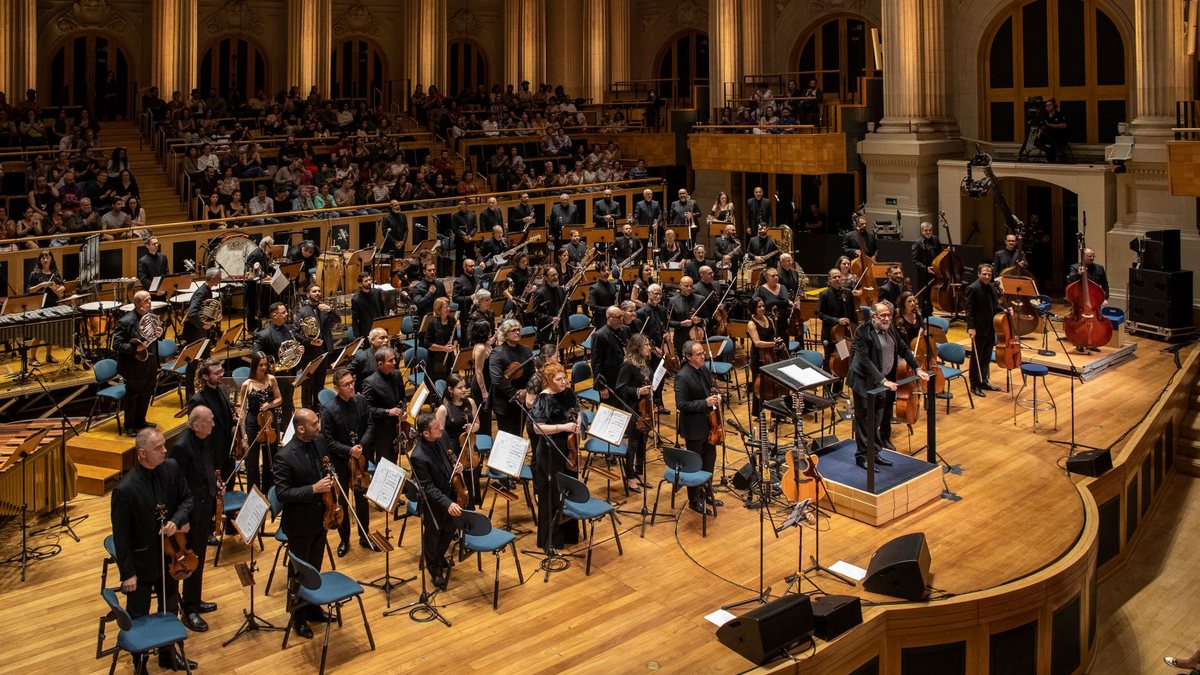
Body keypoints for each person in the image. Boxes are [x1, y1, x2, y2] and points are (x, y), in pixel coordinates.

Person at [110, 428, 196, 671]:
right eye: (158, 448)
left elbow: (187, 498)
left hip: (171, 558)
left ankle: (169, 656)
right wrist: (128, 573)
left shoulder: (171, 468)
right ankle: (141, 664)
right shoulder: (125, 490)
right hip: (142, 563)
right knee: (139, 615)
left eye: (163, 446)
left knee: (170, 607)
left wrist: (176, 521)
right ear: (142, 453)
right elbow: (122, 537)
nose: (165, 450)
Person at [273, 408, 335, 640]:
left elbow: (326, 468)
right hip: (299, 523)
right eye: (314, 424)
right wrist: (313, 489)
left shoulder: (319, 443)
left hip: (321, 518)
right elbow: (282, 493)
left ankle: (312, 608)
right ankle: (297, 617)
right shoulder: (285, 456)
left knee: (315, 566)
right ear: (300, 429)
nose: (318, 426)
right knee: (299, 573)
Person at [847, 303, 929, 469]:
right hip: (864, 381)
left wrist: (917, 368)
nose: (886, 318)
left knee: (877, 417)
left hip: (882, 381)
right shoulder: (863, 331)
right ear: (873, 317)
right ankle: (862, 456)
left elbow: (903, 349)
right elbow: (864, 360)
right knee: (865, 420)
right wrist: (882, 380)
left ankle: (875, 453)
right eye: (882, 315)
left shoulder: (890, 328)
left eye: (888, 315)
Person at [168, 406, 220, 632]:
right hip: (191, 514)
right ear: (196, 424)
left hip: (204, 505)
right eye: (209, 421)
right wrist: (182, 519)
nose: (213, 425)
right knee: (190, 558)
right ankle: (188, 609)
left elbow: (206, 468)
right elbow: (176, 485)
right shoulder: (181, 446)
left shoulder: (203, 437)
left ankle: (194, 600)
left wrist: (214, 485)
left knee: (198, 555)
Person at [321, 367, 375, 556]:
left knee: (362, 499)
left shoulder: (361, 401)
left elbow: (370, 424)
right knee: (342, 502)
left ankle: (364, 535)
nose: (352, 387)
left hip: (359, 459)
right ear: (337, 388)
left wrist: (361, 446)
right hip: (340, 462)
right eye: (346, 385)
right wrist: (348, 450)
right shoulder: (328, 410)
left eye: (352, 382)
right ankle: (344, 540)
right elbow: (327, 440)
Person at [528, 363, 581, 550]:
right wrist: (564, 427)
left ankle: (570, 534)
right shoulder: (543, 399)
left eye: (565, 378)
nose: (564, 382)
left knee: (570, 489)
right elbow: (537, 428)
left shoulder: (568, 393)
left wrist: (578, 423)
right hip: (551, 450)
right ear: (549, 380)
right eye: (559, 379)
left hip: (569, 447)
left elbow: (577, 411)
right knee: (553, 493)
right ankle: (551, 538)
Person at [409, 412, 464, 590]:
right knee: (433, 535)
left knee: (450, 529)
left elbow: (449, 457)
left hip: (450, 494)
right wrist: (448, 503)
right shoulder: (418, 456)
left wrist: (457, 465)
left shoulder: (440, 438)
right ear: (426, 434)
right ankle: (434, 569)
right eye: (436, 427)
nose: (441, 427)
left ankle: (440, 557)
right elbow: (428, 487)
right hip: (434, 503)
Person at [674, 341, 722, 515]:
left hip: (710, 425)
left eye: (703, 352)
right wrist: (705, 402)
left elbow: (709, 388)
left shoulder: (703, 369)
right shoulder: (682, 376)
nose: (703, 356)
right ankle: (694, 500)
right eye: (698, 354)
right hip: (694, 427)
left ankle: (707, 493)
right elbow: (681, 404)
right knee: (695, 465)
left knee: (710, 459)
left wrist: (715, 395)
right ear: (688, 357)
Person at [113, 291, 163, 436]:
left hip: (151, 361)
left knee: (147, 392)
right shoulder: (125, 321)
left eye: (150, 300)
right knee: (133, 396)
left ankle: (141, 420)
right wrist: (135, 349)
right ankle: (129, 426)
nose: (150, 303)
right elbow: (117, 345)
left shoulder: (151, 317)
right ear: (138, 303)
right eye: (147, 301)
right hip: (134, 365)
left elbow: (155, 337)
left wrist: (160, 332)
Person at [238, 351, 283, 493]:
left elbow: (279, 399)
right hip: (253, 422)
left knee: (271, 456)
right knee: (252, 460)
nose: (264, 367)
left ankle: (269, 490)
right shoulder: (247, 384)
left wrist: (269, 405)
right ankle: (254, 492)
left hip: (269, 420)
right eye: (260, 365)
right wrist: (243, 433)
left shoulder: (271, 379)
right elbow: (243, 409)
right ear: (254, 366)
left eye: (265, 364)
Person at [616, 334, 654, 491]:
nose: (649, 347)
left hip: (646, 409)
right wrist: (638, 390)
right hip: (633, 409)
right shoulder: (628, 366)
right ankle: (630, 476)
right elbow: (620, 388)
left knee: (643, 441)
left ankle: (640, 471)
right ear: (638, 347)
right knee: (632, 443)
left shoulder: (644, 363)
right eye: (646, 345)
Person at [188, 358, 236, 481]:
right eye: (216, 373)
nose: (221, 375)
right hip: (212, 454)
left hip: (229, 450)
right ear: (205, 376)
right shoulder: (198, 400)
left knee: (229, 485)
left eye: (221, 371)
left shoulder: (223, 389)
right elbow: (195, 431)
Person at [436, 374, 481, 505]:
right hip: (453, 448)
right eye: (459, 388)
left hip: (469, 447)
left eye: (465, 387)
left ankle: (471, 507)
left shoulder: (470, 402)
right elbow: (440, 436)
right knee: (458, 483)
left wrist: (471, 428)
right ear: (450, 390)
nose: (464, 390)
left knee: (472, 476)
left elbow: (477, 424)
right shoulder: (443, 409)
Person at [253, 302, 302, 424]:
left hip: (289, 374)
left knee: (288, 405)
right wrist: (270, 363)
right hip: (274, 377)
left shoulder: (289, 330)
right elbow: (255, 355)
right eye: (283, 312)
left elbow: (291, 348)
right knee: (274, 408)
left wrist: (298, 350)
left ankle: (286, 435)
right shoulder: (263, 334)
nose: (287, 314)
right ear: (274, 315)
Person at [488, 319, 534, 439]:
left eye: (518, 330)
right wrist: (515, 394)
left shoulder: (526, 350)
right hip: (504, 403)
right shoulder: (497, 353)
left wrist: (525, 390)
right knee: (507, 438)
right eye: (513, 331)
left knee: (518, 435)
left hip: (522, 400)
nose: (517, 332)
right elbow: (497, 380)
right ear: (505, 334)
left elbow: (532, 375)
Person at [295, 284, 338, 409]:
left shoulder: (325, 309)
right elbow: (295, 332)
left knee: (320, 383)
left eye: (319, 291)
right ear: (308, 294)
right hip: (309, 352)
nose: (318, 293)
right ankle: (307, 410)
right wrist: (309, 342)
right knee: (308, 384)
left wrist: (330, 309)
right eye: (314, 291)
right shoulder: (302, 311)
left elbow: (338, 320)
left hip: (323, 351)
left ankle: (318, 409)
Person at [362, 347, 408, 463]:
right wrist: (388, 412)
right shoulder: (370, 382)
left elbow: (403, 398)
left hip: (398, 424)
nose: (394, 363)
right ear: (380, 364)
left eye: (394, 360)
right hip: (382, 429)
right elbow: (367, 409)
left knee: (396, 456)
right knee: (385, 461)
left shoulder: (397, 375)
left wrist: (404, 410)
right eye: (391, 360)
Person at [965, 264, 1001, 397]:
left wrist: (1005, 311)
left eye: (989, 274)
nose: (987, 276)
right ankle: (974, 385)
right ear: (979, 274)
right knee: (976, 358)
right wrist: (971, 327)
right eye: (984, 274)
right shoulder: (973, 288)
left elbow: (995, 307)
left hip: (990, 327)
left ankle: (984, 381)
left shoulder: (991, 287)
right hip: (978, 329)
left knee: (986, 357)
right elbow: (969, 310)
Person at [25, 250, 65, 365]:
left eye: (47, 257)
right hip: (39, 307)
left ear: (51, 259)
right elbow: (29, 290)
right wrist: (41, 285)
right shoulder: (35, 274)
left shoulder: (55, 274)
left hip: (53, 306)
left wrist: (58, 287)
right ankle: (32, 358)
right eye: (43, 258)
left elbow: (61, 290)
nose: (45, 260)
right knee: (38, 333)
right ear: (40, 260)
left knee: (51, 333)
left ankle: (48, 355)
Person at [911, 221, 944, 316]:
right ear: (922, 231)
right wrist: (926, 268)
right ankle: (924, 315)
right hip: (924, 274)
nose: (928, 232)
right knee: (925, 296)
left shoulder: (935, 239)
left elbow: (941, 253)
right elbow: (915, 260)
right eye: (926, 230)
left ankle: (930, 313)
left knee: (932, 295)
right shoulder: (918, 243)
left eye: (930, 230)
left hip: (936, 272)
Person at [424, 296, 459, 383]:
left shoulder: (452, 320)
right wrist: (443, 348)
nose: (448, 308)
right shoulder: (432, 323)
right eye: (446, 307)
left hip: (450, 357)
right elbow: (427, 343)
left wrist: (454, 346)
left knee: (451, 381)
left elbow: (455, 337)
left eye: (448, 306)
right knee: (438, 383)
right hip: (435, 360)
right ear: (439, 310)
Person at [668, 276, 703, 357]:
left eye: (691, 286)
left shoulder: (700, 299)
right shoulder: (673, 301)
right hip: (680, 339)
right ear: (680, 286)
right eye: (686, 286)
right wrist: (681, 323)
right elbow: (669, 322)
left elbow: (707, 319)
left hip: (697, 337)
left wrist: (699, 319)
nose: (689, 288)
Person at [1034, 98, 1069, 163]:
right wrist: (1039, 132)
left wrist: (1050, 125)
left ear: (1054, 106)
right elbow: (1042, 125)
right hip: (1047, 136)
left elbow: (1064, 125)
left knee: (1050, 143)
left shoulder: (1060, 114)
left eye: (1050, 105)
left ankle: (1050, 158)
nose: (1048, 106)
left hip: (1058, 136)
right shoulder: (1045, 116)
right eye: (1046, 105)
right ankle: (1050, 155)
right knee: (1035, 141)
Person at [587, 263, 621, 328]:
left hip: (614, 316)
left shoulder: (613, 284)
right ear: (598, 273)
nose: (607, 272)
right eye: (604, 271)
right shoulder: (594, 288)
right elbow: (592, 306)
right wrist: (609, 309)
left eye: (608, 270)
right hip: (601, 318)